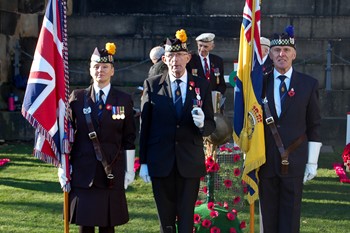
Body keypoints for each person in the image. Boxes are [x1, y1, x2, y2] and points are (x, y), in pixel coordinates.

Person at [138, 29, 216, 233]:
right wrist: (144, 161)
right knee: (166, 219)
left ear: (188, 57)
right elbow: (145, 126)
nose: (176, 60)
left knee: (186, 217)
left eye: (180, 55)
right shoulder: (153, 85)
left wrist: (201, 125)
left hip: (189, 161)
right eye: (171, 56)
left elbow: (210, 125)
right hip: (160, 160)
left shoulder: (202, 85)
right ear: (164, 59)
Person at [58, 42, 136, 233]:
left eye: (104, 67)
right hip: (84, 174)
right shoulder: (77, 98)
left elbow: (129, 138)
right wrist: (63, 166)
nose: (99, 70)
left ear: (112, 70)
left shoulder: (123, 100)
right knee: (85, 227)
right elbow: (66, 135)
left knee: (108, 227)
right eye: (95, 66)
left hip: (111, 172)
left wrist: (129, 170)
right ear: (90, 70)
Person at [258, 25, 322, 233]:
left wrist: (312, 161)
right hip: (266, 159)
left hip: (295, 160)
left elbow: (314, 125)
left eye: (286, 51)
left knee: (291, 217)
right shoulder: (259, 83)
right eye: (276, 51)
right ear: (271, 54)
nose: (281, 54)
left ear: (294, 54)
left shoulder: (308, 84)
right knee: (268, 217)